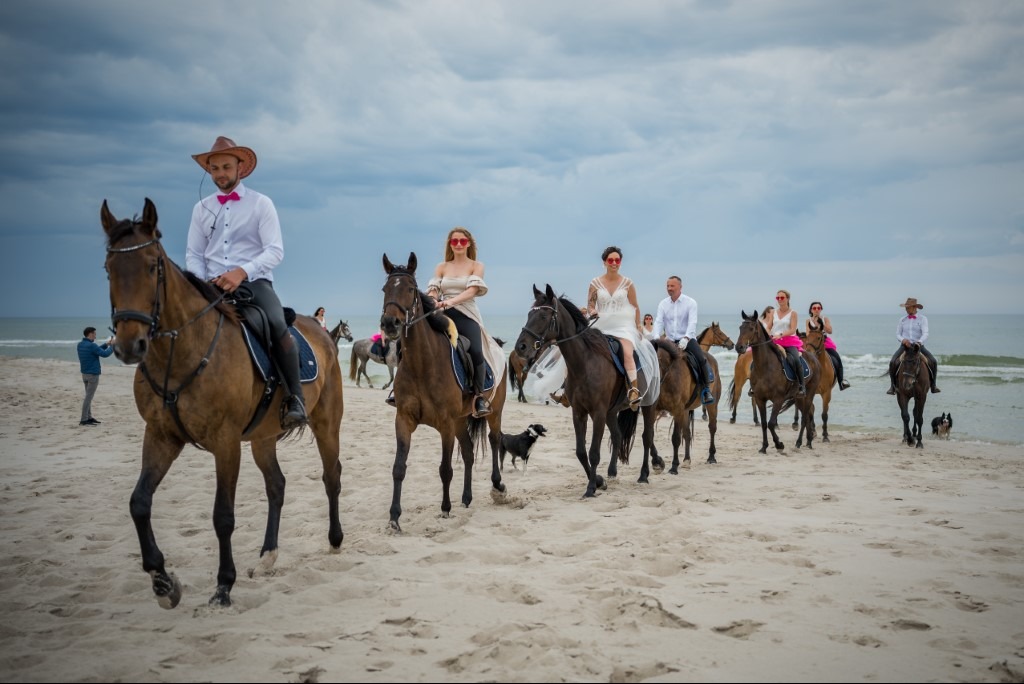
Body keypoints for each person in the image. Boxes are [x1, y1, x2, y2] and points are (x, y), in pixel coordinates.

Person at [186, 136, 307, 429]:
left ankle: (295, 398)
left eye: (226, 167)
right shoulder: (201, 208)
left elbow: (275, 250)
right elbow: (193, 254)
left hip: (254, 284)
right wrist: (204, 283)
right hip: (210, 286)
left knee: (277, 325)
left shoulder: (261, 204)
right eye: (214, 169)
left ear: (240, 167)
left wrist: (241, 271)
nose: (220, 174)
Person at [426, 227, 502, 417]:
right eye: (454, 241)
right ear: (450, 245)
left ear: (469, 244)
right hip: (442, 312)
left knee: (476, 350)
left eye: (462, 241)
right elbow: (434, 289)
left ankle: (479, 397)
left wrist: (450, 301)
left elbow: (472, 291)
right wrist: (433, 299)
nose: (458, 244)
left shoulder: (477, 265)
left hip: (466, 313)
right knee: (414, 337)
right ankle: (402, 388)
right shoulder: (441, 267)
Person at [586, 246, 659, 411]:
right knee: (581, 348)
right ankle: (564, 389)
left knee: (627, 352)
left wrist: (639, 325)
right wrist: (593, 311)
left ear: (620, 262)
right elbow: (590, 305)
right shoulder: (595, 283)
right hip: (601, 324)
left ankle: (633, 390)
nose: (614, 263)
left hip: (622, 325)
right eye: (610, 260)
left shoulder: (627, 283)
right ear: (604, 262)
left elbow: (635, 306)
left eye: (617, 260)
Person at [652, 275, 715, 405]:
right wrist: (657, 338)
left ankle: (705, 389)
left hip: (687, 339)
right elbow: (658, 321)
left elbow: (692, 323)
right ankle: (651, 389)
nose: (669, 288)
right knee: (653, 359)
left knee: (701, 359)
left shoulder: (690, 302)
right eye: (668, 286)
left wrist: (686, 338)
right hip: (669, 341)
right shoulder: (663, 304)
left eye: (672, 286)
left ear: (680, 287)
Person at [887, 297, 940, 395]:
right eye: (906, 308)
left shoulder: (923, 319)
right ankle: (892, 386)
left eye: (908, 307)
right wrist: (903, 340)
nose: (906, 309)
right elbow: (898, 334)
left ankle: (933, 385)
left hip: (918, 346)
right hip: (905, 347)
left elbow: (925, 333)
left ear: (915, 307)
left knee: (933, 361)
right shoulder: (902, 320)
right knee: (893, 361)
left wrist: (919, 342)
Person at [806, 301, 851, 390]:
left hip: (825, 342)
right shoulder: (808, 321)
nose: (816, 310)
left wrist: (820, 324)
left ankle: (841, 382)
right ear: (811, 310)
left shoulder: (825, 319)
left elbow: (830, 331)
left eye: (818, 308)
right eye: (814, 308)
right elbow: (808, 333)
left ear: (821, 309)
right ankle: (802, 382)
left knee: (837, 359)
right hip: (813, 343)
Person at [769, 289, 806, 397]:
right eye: (778, 298)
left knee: (795, 359)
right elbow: (769, 326)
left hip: (789, 340)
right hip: (774, 340)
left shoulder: (793, 313)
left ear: (787, 299)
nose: (780, 300)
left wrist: (780, 335)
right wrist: (766, 334)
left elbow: (793, 330)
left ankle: (801, 386)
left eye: (782, 297)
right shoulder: (773, 312)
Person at [77, 327, 114, 426]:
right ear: (90, 334)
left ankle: (88, 417)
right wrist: (113, 346)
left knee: (88, 397)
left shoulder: (80, 345)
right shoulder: (92, 346)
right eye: (94, 334)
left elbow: (96, 350)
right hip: (93, 375)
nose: (95, 336)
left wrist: (107, 344)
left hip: (85, 374)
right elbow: (105, 354)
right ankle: (84, 420)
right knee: (88, 398)